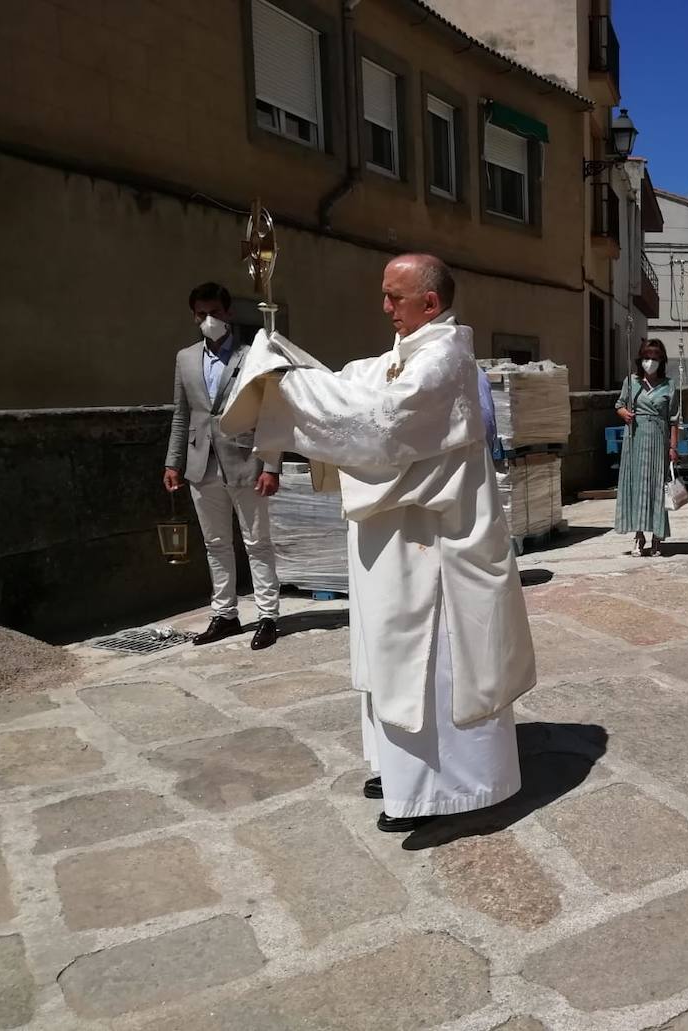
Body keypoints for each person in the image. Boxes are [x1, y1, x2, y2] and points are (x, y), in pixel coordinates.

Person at [219, 254, 535, 831]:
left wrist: (287, 391)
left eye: (395, 297)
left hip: (437, 551)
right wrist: (284, 362)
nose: (384, 307)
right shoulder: (406, 355)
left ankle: (446, 789)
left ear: (429, 304)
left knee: (433, 667)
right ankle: (400, 769)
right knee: (391, 658)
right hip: (395, 543)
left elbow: (382, 422)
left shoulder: (444, 364)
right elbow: (351, 384)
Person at [164, 282, 281, 650]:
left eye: (215, 312)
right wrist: (173, 462)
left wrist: (271, 465)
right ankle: (225, 614)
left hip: (246, 458)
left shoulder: (252, 356)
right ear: (194, 316)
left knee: (257, 541)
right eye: (202, 314)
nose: (209, 320)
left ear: (228, 313)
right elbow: (182, 415)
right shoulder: (185, 358)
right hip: (202, 463)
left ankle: (267, 616)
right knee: (215, 543)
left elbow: (271, 412)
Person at [615, 340, 680, 557]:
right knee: (637, 487)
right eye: (645, 358)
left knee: (657, 488)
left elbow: (673, 419)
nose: (649, 362)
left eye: (653, 358)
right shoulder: (631, 382)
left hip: (658, 440)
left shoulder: (669, 385)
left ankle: (657, 537)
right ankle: (639, 535)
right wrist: (624, 413)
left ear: (661, 360)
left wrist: (673, 447)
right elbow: (619, 404)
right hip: (635, 439)